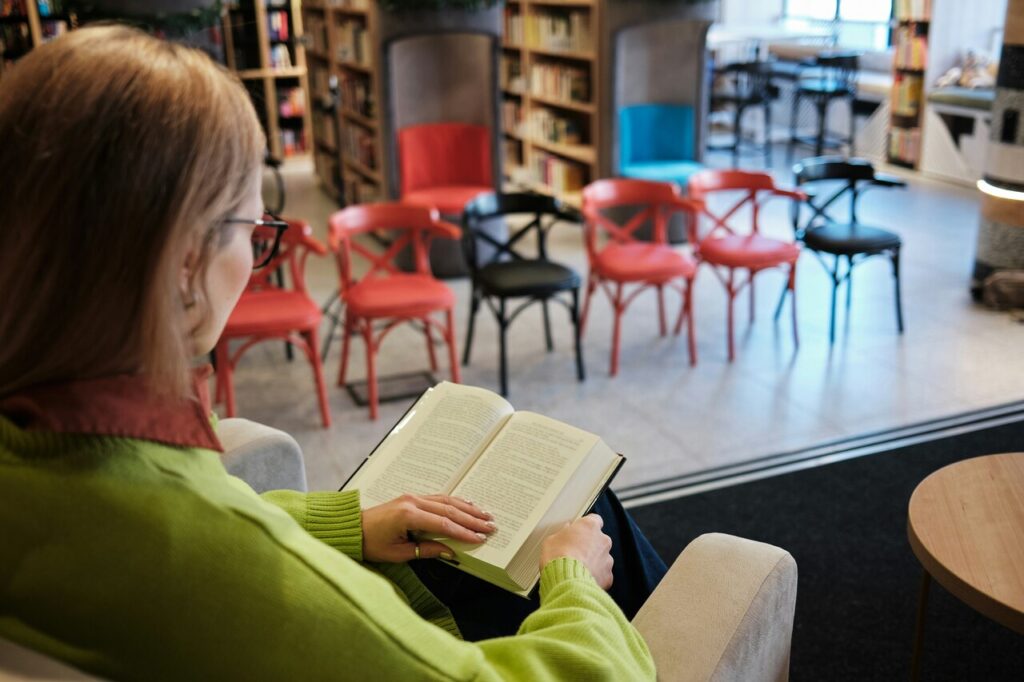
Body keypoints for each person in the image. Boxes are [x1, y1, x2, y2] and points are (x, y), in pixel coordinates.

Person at [0, 26, 664, 679]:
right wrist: (573, 584)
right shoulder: (209, 557)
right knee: (585, 516)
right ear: (182, 264)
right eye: (252, 230)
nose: (256, 258)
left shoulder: (42, 459)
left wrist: (351, 524)